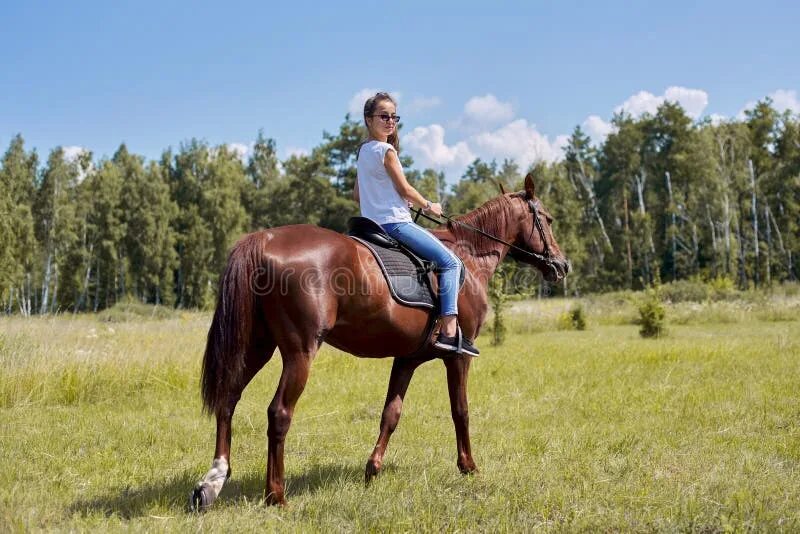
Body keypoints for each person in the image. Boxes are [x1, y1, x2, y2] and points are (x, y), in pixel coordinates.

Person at [353, 92, 479, 356]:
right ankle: (449, 330)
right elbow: (405, 189)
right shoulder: (387, 151)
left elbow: (357, 194)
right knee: (451, 262)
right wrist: (428, 205)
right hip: (395, 224)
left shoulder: (363, 151)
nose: (390, 121)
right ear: (368, 119)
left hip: (370, 225)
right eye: (384, 116)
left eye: (394, 117)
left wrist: (389, 199)